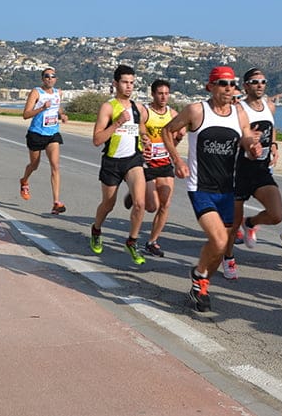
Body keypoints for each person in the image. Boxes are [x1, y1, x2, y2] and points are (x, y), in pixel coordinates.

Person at [161, 66, 260, 312]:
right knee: (217, 240)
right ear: (211, 87)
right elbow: (167, 131)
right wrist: (178, 160)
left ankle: (200, 281)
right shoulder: (197, 110)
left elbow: (246, 137)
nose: (229, 88)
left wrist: (252, 147)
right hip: (200, 186)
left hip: (227, 188)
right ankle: (199, 276)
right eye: (223, 83)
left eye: (232, 84)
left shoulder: (239, 113)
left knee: (221, 246)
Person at [222, 68, 281, 280]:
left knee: (276, 215)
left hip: (261, 169)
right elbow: (230, 136)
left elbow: (271, 128)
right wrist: (246, 140)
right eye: (254, 82)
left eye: (263, 81)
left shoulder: (270, 106)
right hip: (240, 170)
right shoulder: (239, 109)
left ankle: (251, 223)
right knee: (232, 223)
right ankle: (228, 257)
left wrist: (273, 143)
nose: (260, 85)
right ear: (246, 85)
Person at [89, 65, 151, 266]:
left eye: (132, 83)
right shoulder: (108, 107)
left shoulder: (137, 107)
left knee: (140, 203)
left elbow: (141, 128)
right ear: (115, 83)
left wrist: (146, 138)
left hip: (133, 160)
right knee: (108, 204)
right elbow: (97, 140)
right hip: (112, 161)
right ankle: (96, 229)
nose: (129, 86)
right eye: (125, 82)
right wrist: (116, 123)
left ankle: (132, 241)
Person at [128, 79, 183, 258]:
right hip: (147, 164)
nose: (163, 97)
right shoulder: (146, 112)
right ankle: (136, 191)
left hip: (165, 163)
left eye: (166, 93)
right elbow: (138, 130)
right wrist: (144, 137)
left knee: (165, 204)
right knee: (152, 206)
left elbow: (173, 141)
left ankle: (152, 241)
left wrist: (179, 138)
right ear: (153, 94)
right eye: (160, 93)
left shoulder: (173, 114)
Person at [18, 68, 70, 214]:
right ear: (43, 79)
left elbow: (57, 107)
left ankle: (56, 202)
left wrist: (62, 115)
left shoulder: (57, 92)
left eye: (52, 76)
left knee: (55, 166)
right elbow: (26, 115)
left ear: (56, 79)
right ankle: (24, 180)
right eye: (47, 76)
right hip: (36, 134)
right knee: (34, 165)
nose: (50, 78)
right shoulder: (36, 92)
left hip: (52, 134)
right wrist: (41, 108)